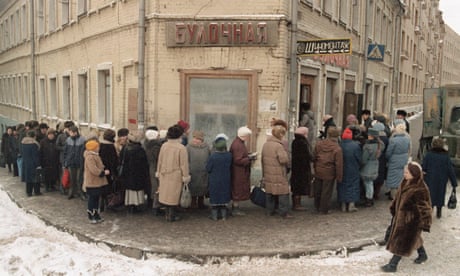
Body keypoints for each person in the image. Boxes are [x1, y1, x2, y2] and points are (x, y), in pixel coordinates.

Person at [381, 162, 432, 273]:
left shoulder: (420, 189)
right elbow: (398, 197)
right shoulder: (405, 182)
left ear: (414, 173)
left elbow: (425, 208)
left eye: (407, 172)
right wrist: (393, 208)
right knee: (413, 238)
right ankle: (422, 254)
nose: (404, 174)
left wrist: (426, 222)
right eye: (404, 172)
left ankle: (393, 264)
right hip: (401, 217)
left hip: (412, 220)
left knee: (402, 241)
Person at [157, 125, 191, 222]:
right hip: (175, 175)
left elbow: (160, 160)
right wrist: (185, 176)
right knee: (173, 196)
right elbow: (184, 164)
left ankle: (167, 213)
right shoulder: (181, 148)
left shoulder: (164, 145)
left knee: (166, 195)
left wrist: (158, 171)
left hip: (164, 173)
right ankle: (171, 215)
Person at [422, 138, 458, 218]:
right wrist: (454, 183)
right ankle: (439, 212)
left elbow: (424, 167)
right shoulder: (445, 157)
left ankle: (429, 211)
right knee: (440, 195)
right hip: (441, 180)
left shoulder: (429, 155)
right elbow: (450, 170)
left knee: (430, 195)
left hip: (430, 179)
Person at [262, 125, 291, 218]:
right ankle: (283, 212)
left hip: (268, 172)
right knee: (283, 192)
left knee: (269, 191)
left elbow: (262, 159)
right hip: (278, 172)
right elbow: (283, 160)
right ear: (281, 134)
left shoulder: (266, 144)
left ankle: (269, 210)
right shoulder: (279, 146)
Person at [313, 126, 343, 214]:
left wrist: (315, 166)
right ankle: (324, 209)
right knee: (326, 191)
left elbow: (314, 156)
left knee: (318, 189)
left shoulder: (319, 144)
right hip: (329, 171)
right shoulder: (337, 148)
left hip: (319, 169)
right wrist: (339, 177)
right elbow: (339, 164)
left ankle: (317, 206)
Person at [122, 130, 149, 214]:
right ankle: (136, 205)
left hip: (128, 173)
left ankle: (130, 205)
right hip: (137, 174)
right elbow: (144, 163)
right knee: (137, 191)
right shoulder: (140, 150)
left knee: (130, 191)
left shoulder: (125, 148)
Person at [229, 126, 255, 216]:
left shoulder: (238, 143)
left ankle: (235, 207)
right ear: (244, 136)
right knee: (237, 189)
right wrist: (249, 159)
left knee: (237, 189)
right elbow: (237, 160)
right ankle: (235, 208)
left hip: (239, 171)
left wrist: (248, 156)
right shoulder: (238, 145)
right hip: (238, 171)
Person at [82, 140, 110, 223]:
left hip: (96, 182)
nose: (99, 148)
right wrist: (102, 172)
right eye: (97, 147)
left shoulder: (95, 155)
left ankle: (96, 215)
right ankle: (92, 215)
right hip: (92, 182)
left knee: (96, 198)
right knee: (92, 199)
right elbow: (93, 169)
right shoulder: (90, 157)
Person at [206, 135, 232, 220]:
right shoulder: (229, 156)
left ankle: (214, 216)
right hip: (226, 179)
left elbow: (208, 168)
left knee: (215, 197)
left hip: (214, 179)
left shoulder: (213, 157)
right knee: (224, 198)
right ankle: (224, 216)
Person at [385, 119, 411, 200]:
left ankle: (394, 195)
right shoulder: (407, 139)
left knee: (393, 177)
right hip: (404, 159)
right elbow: (409, 149)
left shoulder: (393, 140)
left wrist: (387, 158)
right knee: (401, 175)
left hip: (394, 160)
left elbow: (389, 152)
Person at [337, 128, 361, 212]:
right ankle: (351, 204)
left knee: (342, 185)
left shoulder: (340, 145)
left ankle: (343, 204)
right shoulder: (355, 146)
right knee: (353, 185)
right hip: (353, 168)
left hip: (342, 168)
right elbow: (359, 158)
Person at [290, 126, 313, 211]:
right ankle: (297, 204)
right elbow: (305, 156)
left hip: (296, 167)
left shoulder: (295, 141)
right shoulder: (302, 142)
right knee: (298, 186)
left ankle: (296, 203)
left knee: (296, 186)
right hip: (301, 168)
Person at [186, 130, 210, 209]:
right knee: (192, 187)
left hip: (203, 171)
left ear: (201, 140)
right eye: (194, 138)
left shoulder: (206, 147)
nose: (195, 140)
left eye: (197, 139)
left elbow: (209, 158)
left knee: (202, 187)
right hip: (192, 171)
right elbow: (186, 159)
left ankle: (201, 203)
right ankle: (193, 203)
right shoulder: (188, 147)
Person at [360, 127, 382, 207]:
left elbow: (364, 159)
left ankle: (369, 199)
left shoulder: (368, 146)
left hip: (368, 166)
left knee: (368, 183)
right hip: (375, 165)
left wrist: (361, 164)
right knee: (370, 183)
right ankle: (370, 197)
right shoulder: (379, 145)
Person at [98, 129, 119, 212]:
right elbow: (114, 161)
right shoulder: (111, 147)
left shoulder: (101, 145)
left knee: (102, 186)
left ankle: (101, 204)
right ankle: (109, 203)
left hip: (102, 169)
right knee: (109, 187)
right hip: (109, 170)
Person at [63, 126, 86, 200]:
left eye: (73, 132)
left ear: (76, 132)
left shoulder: (82, 140)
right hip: (71, 162)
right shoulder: (68, 140)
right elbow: (65, 152)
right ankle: (71, 192)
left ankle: (80, 192)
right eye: (70, 132)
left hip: (79, 162)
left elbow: (83, 152)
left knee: (79, 178)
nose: (71, 134)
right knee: (72, 178)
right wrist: (65, 162)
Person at [144, 129, 163, 215]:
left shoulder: (147, 146)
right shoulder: (156, 147)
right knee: (157, 188)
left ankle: (153, 205)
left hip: (151, 168)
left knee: (154, 187)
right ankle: (156, 207)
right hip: (156, 168)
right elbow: (159, 159)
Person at [371, 122, 389, 199]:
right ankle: (377, 192)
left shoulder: (374, 137)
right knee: (380, 175)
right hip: (383, 159)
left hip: (374, 158)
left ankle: (372, 193)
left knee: (373, 175)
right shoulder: (386, 138)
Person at [21, 130, 41, 196]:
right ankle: (37, 191)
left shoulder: (23, 143)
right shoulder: (34, 144)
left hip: (26, 163)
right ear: (34, 136)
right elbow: (35, 156)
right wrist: (38, 164)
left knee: (28, 179)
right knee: (36, 178)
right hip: (33, 164)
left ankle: (28, 192)